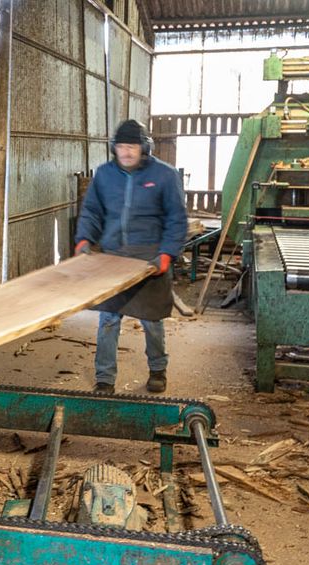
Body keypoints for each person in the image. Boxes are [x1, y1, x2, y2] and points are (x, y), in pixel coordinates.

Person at [75, 119, 188, 395]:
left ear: (144, 148)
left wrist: (167, 254)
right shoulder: (104, 175)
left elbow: (177, 218)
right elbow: (92, 211)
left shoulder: (165, 175)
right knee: (108, 319)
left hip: (150, 260)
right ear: (115, 148)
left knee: (152, 320)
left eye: (132, 147)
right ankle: (105, 378)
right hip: (114, 257)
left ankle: (158, 370)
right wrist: (83, 239)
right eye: (121, 147)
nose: (126, 152)